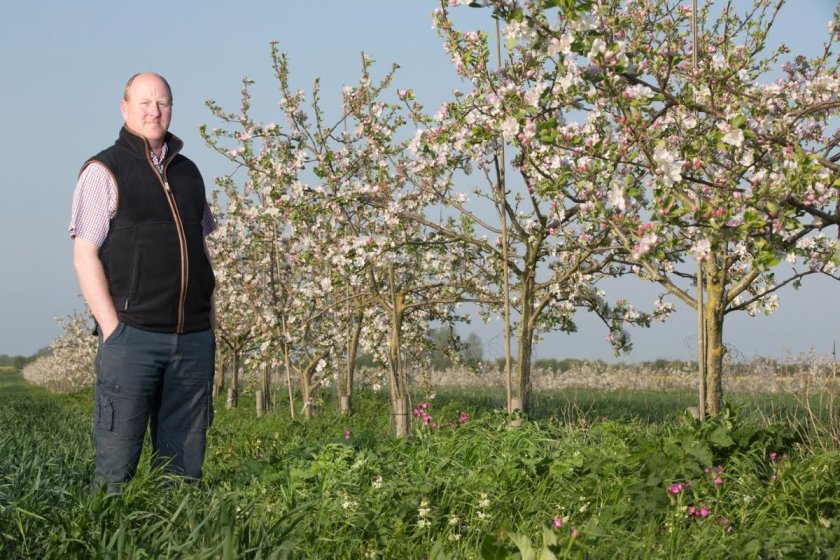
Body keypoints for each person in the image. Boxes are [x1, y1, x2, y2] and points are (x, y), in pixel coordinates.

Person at [69, 72, 216, 492]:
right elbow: (84, 255)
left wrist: (210, 319)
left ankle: (178, 541)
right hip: (133, 336)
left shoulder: (189, 174)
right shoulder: (105, 170)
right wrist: (113, 331)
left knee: (185, 469)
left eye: (163, 103)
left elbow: (199, 248)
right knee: (116, 467)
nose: (155, 111)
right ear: (125, 108)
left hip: (193, 338)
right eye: (145, 102)